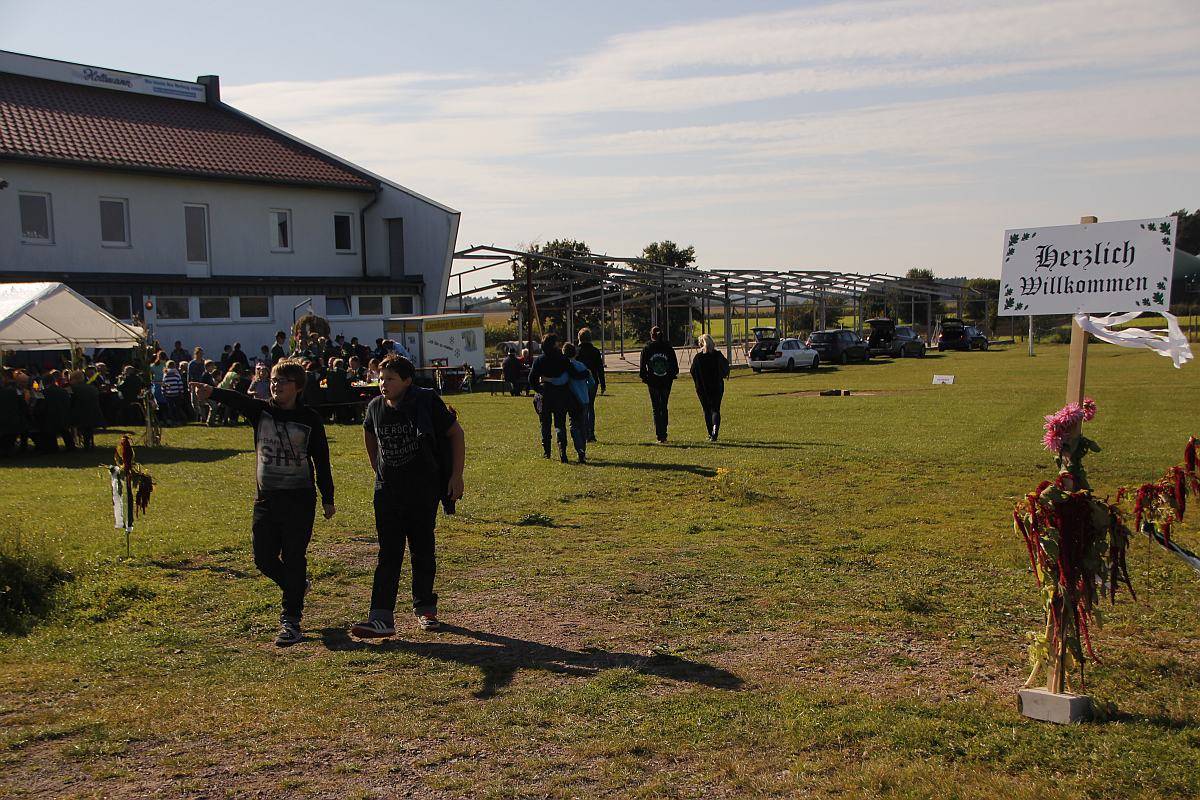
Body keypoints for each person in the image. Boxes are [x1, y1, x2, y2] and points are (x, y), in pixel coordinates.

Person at [191, 360, 336, 646]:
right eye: (273, 380)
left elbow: (321, 459)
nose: (275, 385)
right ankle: (297, 585)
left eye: (282, 381)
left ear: (297, 387)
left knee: (294, 557)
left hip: (299, 499)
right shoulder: (262, 412)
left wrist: (328, 497)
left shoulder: (310, 419)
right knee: (263, 558)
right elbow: (237, 400)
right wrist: (212, 392)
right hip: (267, 499)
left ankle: (291, 620)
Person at [351, 355, 465, 638]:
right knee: (388, 553)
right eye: (380, 378)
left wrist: (456, 476)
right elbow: (369, 433)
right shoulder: (375, 407)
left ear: (407, 381)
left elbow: (455, 433)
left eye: (390, 379)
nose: (383, 384)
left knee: (422, 550)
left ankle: (425, 608)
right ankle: (381, 618)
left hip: (422, 491)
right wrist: (377, 467)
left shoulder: (424, 402)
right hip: (387, 492)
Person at [528, 334, 582, 463]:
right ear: (554, 344)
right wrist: (586, 373)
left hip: (545, 395)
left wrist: (539, 390)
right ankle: (563, 452)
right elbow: (574, 374)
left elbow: (531, 379)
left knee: (545, 424)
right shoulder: (562, 359)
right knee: (560, 424)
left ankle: (547, 451)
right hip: (560, 395)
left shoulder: (540, 360)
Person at [639, 326, 679, 443]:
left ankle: (659, 435)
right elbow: (675, 366)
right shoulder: (668, 347)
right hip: (666, 382)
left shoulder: (647, 348)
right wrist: (670, 376)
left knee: (656, 408)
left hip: (653, 382)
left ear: (651, 335)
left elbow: (642, 368)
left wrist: (646, 378)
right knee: (664, 406)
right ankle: (664, 433)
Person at [690, 333, 730, 442]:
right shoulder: (718, 355)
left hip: (703, 388)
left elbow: (692, 371)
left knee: (706, 410)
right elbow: (726, 367)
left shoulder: (698, 358)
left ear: (701, 344)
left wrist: (698, 382)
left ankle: (710, 433)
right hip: (717, 386)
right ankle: (715, 431)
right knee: (715, 409)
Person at [561, 343, 596, 463]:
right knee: (583, 425)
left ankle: (579, 449)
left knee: (574, 426)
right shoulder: (582, 366)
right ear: (575, 353)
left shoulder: (566, 367)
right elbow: (592, 383)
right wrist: (585, 388)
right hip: (585, 399)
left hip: (573, 400)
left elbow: (563, 381)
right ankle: (583, 451)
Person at [575, 328, 605, 441]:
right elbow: (600, 369)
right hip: (593, 382)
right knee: (590, 407)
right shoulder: (595, 351)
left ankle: (583, 431)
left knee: (581, 407)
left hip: (579, 382)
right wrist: (603, 383)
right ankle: (591, 433)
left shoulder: (577, 351)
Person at [69, 369, 104, 450]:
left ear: (74, 379)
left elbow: (71, 402)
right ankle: (88, 442)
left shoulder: (73, 389)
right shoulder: (92, 388)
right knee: (88, 428)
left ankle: (76, 443)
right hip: (94, 413)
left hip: (80, 415)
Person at [161, 360, 187, 425]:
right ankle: (179, 420)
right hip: (176, 393)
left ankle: (172, 420)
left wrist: (163, 392)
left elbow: (163, 385)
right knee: (178, 408)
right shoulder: (177, 374)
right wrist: (181, 392)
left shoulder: (165, 375)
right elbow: (180, 384)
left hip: (168, 394)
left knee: (170, 408)